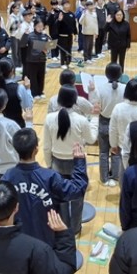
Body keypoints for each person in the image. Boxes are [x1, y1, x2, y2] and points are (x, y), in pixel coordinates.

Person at [43, 86, 97, 235]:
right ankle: (76, 228)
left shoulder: (49, 118)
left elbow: (46, 147)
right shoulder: (81, 120)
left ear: (58, 100)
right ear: (76, 101)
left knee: (60, 199)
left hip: (57, 163)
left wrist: (49, 165)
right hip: (77, 163)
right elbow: (92, 139)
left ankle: (63, 228)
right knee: (78, 197)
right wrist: (95, 120)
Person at [86, 63, 125, 187]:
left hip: (103, 121)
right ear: (121, 74)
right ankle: (115, 176)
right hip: (118, 123)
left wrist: (91, 91)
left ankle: (104, 178)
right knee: (117, 151)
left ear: (106, 74)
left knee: (103, 152)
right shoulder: (125, 88)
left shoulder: (100, 88)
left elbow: (93, 104)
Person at [0, 58, 33, 128]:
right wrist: (28, 89)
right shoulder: (19, 88)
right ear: (12, 71)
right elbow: (28, 107)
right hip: (16, 126)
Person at [24, 18, 50, 99]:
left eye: (42, 26)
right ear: (34, 26)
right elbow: (23, 44)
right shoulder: (30, 36)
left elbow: (48, 46)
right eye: (38, 26)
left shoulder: (45, 36)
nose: (40, 28)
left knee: (41, 76)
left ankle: (40, 91)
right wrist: (24, 35)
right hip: (32, 60)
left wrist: (47, 50)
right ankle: (34, 93)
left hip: (42, 59)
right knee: (33, 77)